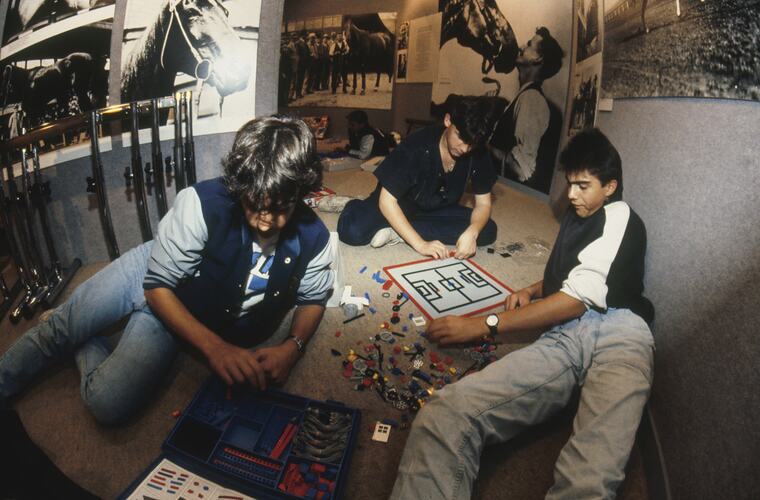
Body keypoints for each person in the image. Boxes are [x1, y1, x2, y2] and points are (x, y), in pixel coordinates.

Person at [0, 115, 333, 426]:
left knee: (107, 403)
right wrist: (215, 348)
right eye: (253, 204)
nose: (264, 218)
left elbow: (314, 298)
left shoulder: (314, 236)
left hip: (184, 310)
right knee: (62, 327)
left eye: (279, 209)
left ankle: (87, 337)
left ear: (300, 193)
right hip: (158, 275)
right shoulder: (200, 202)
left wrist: (292, 348)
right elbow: (157, 286)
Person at [390, 128, 655, 499]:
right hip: (564, 333)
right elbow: (575, 280)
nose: (571, 194)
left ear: (610, 187)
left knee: (588, 477)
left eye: (583, 185)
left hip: (620, 334)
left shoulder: (619, 214)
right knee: (445, 413)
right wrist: (532, 289)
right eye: (570, 184)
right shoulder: (579, 216)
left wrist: (481, 326)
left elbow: (578, 297)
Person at [338, 96, 500, 259]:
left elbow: (484, 203)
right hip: (399, 203)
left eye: (472, 143)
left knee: (486, 230)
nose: (465, 148)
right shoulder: (416, 145)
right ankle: (353, 203)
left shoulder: (477, 150)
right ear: (448, 120)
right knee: (353, 232)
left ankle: (397, 231)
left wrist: (472, 232)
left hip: (437, 206)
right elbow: (387, 201)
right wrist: (420, 244)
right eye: (461, 137)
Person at [489, 26, 564, 193]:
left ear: (538, 58)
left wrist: (485, 147)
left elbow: (520, 169)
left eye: (529, 44)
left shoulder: (532, 99)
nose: (522, 46)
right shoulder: (526, 96)